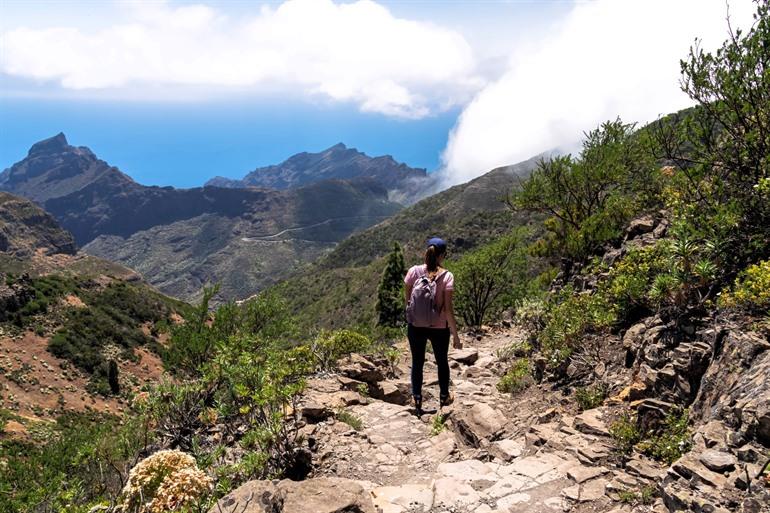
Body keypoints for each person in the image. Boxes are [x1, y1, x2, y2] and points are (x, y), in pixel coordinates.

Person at [404, 237, 462, 415]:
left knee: (417, 362)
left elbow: (407, 300)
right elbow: (449, 310)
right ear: (442, 256)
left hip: (416, 326)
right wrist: (456, 335)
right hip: (439, 328)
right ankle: (444, 396)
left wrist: (413, 318)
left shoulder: (414, 272)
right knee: (442, 361)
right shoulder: (447, 276)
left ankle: (417, 399)